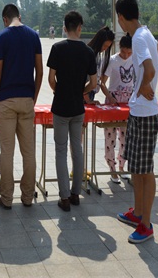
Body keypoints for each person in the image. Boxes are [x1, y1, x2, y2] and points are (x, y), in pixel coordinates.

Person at [115, 0, 158, 244]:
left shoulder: (137, 38)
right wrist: (143, 84)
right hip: (138, 111)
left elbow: (151, 67)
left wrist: (146, 84)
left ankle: (146, 225)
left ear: (121, 17)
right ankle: (137, 213)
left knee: (146, 171)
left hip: (145, 113)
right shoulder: (146, 33)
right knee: (135, 166)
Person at [0, 4, 43, 209]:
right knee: (28, 152)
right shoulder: (33, 36)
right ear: (20, 16)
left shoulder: (2, 37)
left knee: (7, 152)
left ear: (5, 19)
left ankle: (7, 198)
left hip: (6, 101)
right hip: (27, 99)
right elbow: (40, 71)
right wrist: (33, 97)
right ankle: (27, 197)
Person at [47, 11, 97, 211]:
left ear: (64, 28)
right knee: (77, 149)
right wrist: (81, 91)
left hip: (60, 107)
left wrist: (59, 91)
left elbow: (51, 79)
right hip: (78, 107)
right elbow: (93, 83)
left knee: (61, 150)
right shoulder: (88, 52)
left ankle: (64, 197)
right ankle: (76, 193)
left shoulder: (57, 48)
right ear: (79, 28)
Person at [100, 34, 134, 183]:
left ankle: (122, 166)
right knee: (110, 137)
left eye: (129, 52)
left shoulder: (135, 60)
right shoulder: (112, 60)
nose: (126, 55)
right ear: (119, 47)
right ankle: (112, 168)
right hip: (113, 103)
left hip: (128, 103)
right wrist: (110, 96)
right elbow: (102, 82)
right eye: (124, 52)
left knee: (126, 138)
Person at [85, 26, 116, 104]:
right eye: (104, 45)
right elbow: (81, 79)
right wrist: (87, 99)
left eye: (108, 47)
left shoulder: (98, 55)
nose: (105, 49)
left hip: (91, 93)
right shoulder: (88, 54)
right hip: (85, 94)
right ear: (99, 41)